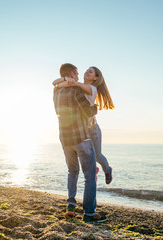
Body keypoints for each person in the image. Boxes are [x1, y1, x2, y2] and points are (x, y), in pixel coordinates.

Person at [53, 63, 107, 223]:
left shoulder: (56, 91)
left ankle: (70, 205)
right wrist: (94, 108)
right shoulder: (77, 90)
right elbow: (88, 111)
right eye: (76, 74)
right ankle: (89, 214)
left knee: (72, 171)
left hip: (64, 138)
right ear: (71, 73)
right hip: (81, 138)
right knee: (90, 176)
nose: (78, 76)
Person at [53, 66, 114, 184]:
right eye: (86, 70)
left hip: (92, 129)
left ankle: (107, 169)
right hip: (81, 129)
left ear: (95, 78)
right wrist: (66, 79)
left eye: (90, 72)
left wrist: (71, 82)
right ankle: (94, 169)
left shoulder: (91, 88)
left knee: (97, 156)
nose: (86, 72)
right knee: (84, 157)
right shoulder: (77, 85)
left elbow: (79, 86)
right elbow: (54, 83)